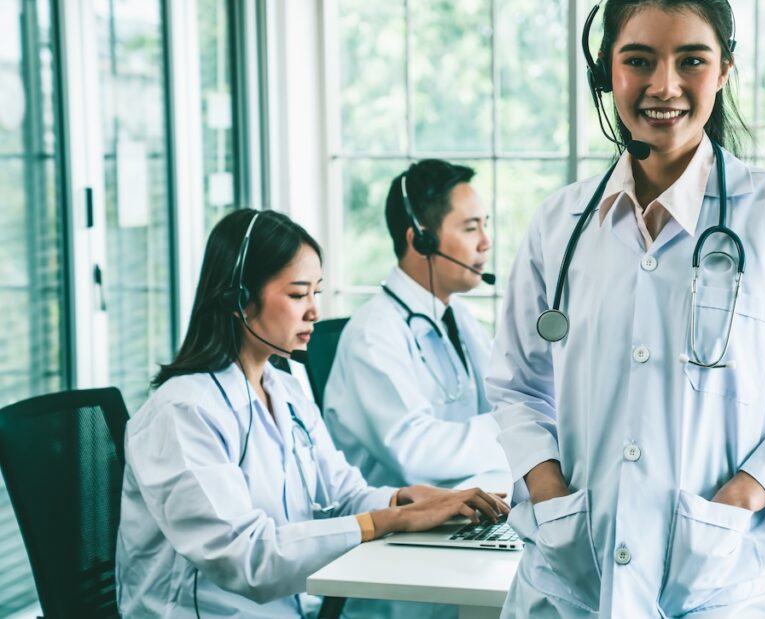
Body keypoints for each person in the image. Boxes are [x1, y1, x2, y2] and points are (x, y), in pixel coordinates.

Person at [486, 0, 765, 618]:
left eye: (690, 60)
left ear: (724, 69)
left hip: (716, 583)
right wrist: (548, 487)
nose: (662, 86)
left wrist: (746, 493)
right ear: (606, 73)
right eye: (638, 60)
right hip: (569, 580)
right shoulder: (560, 223)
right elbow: (516, 383)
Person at [116, 208, 508, 618]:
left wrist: (405, 499)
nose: (314, 312)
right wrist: (391, 519)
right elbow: (245, 558)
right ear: (239, 299)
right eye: (297, 294)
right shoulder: (182, 412)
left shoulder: (284, 389)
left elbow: (342, 495)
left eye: (316, 293)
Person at [323, 159, 507, 489]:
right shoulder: (373, 335)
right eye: (470, 228)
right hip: (392, 532)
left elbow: (503, 394)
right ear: (421, 240)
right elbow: (415, 453)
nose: (485, 242)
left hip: (459, 508)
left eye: (486, 225)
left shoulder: (457, 316)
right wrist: (517, 430)